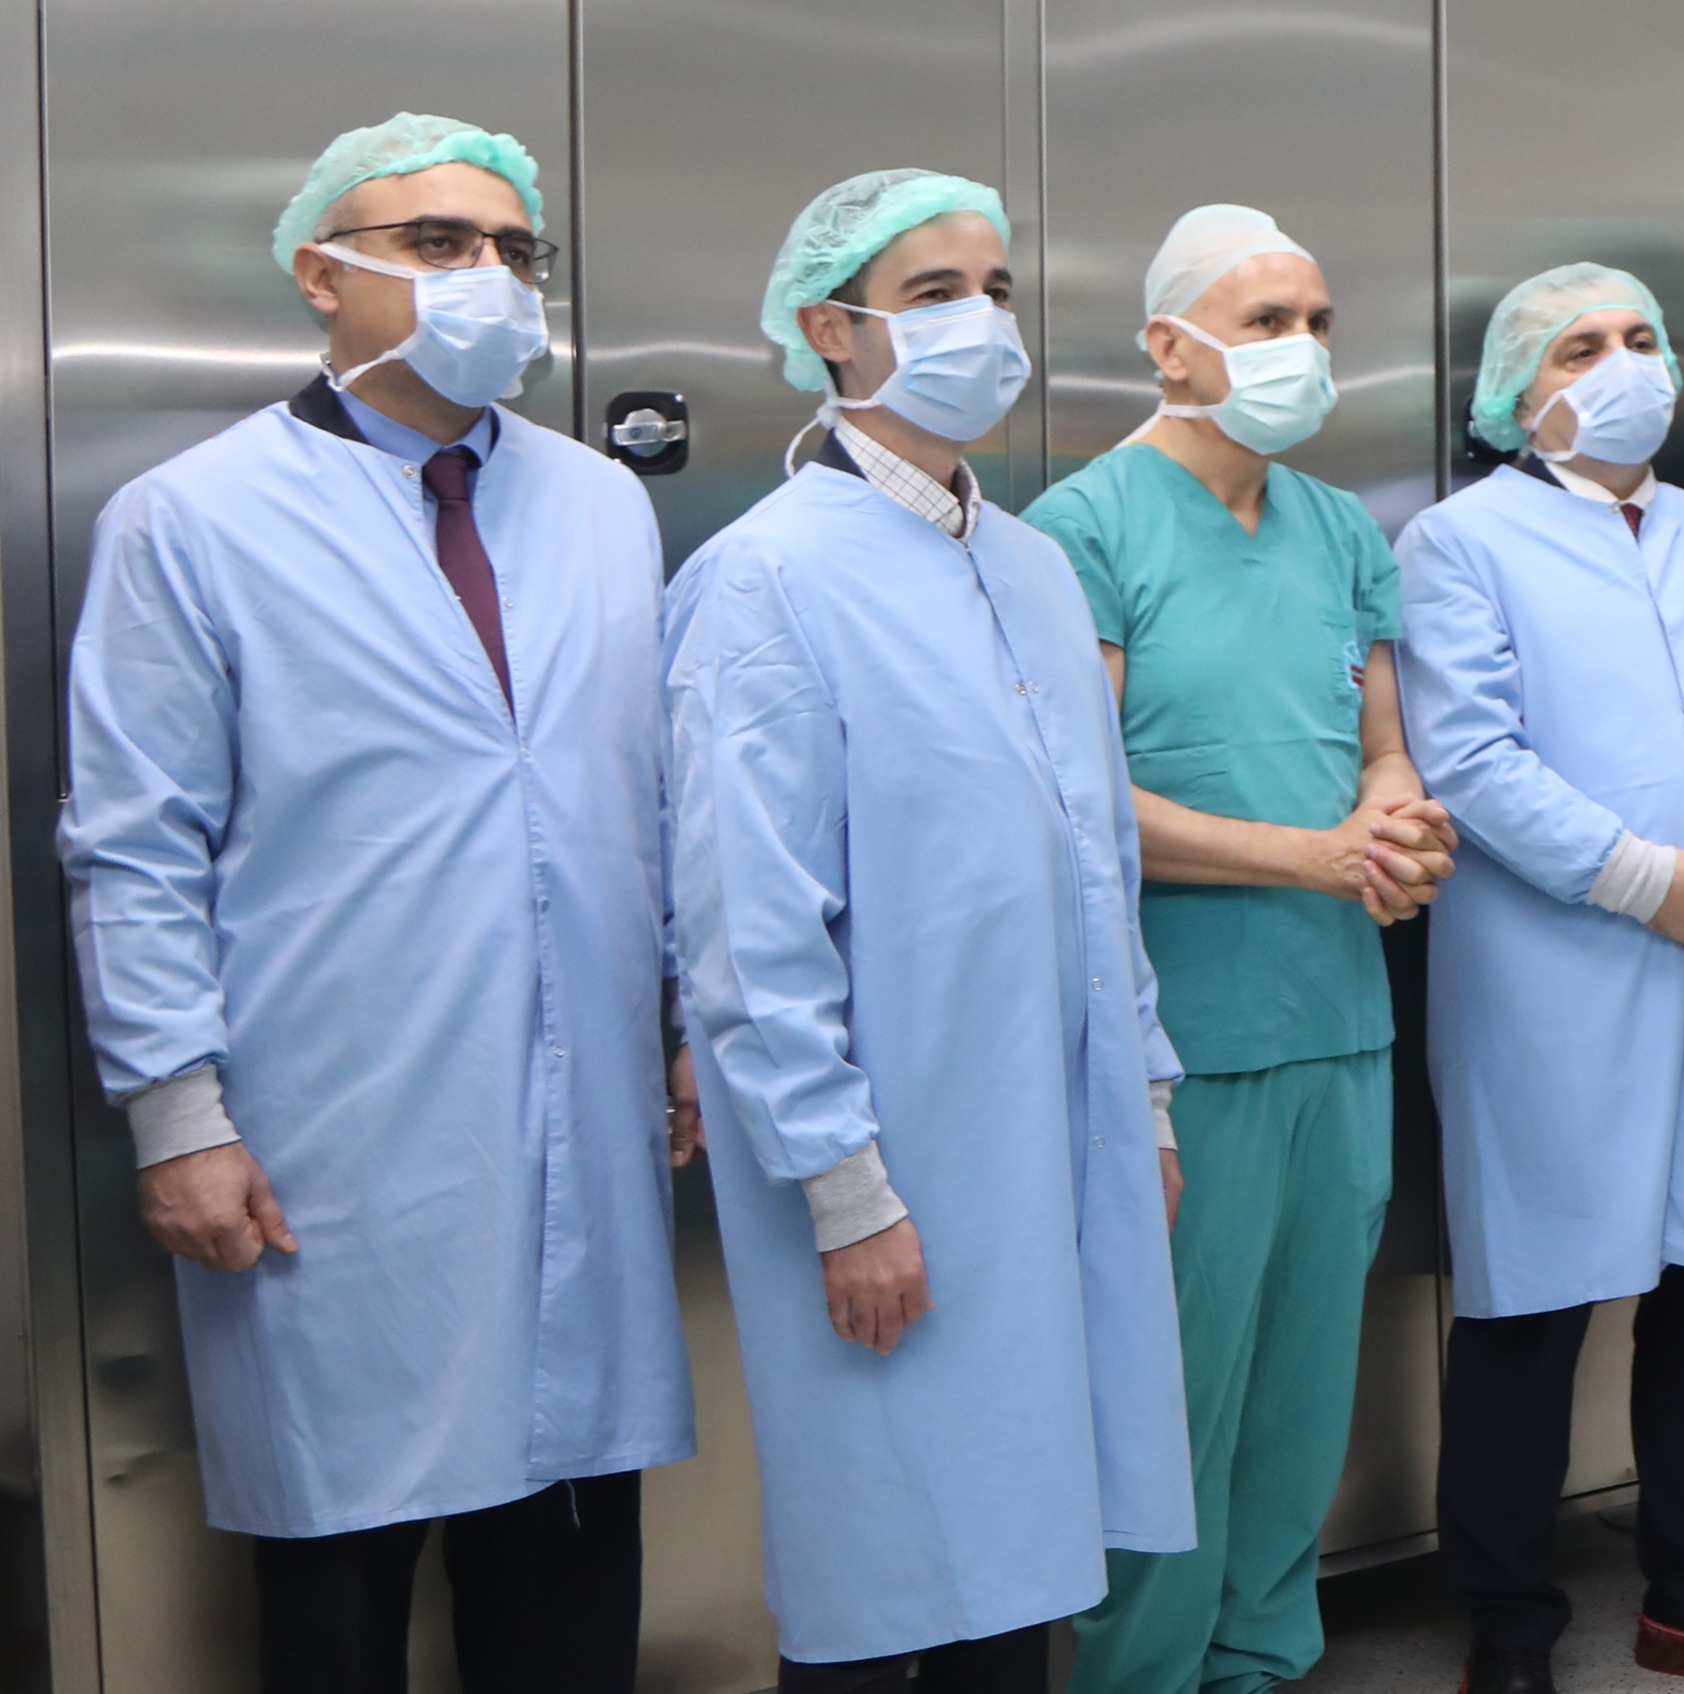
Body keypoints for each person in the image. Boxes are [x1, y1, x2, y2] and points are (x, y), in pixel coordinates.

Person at [56, 113, 695, 1693]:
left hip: (587, 1106)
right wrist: (176, 1118)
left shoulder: (601, 503)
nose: (490, 276)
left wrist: (686, 1018)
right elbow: (135, 841)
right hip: (331, 1134)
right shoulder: (193, 518)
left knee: (567, 1566)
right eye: (437, 242)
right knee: (341, 1583)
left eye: (513, 248)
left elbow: (652, 795)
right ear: (319, 274)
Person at [663, 170, 1194, 1694]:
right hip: (893, 1160)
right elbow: (748, 926)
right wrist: (845, 1192)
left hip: (1060, 1142)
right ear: (831, 329)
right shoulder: (766, 577)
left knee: (1026, 1550)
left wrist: (1146, 1095)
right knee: (890, 1562)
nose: (982, 322)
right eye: (934, 292)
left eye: (996, 288)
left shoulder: (1030, 564)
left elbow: (1097, 866)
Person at [1396, 262, 1684, 1694]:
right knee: (1530, 1309)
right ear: (1515, 394)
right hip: (1553, 976)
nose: (1623, 365)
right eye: (1581, 346)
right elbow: (1470, 757)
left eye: (1642, 337)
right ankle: (1507, 1621)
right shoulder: (1458, 542)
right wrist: (1647, 879)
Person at [1021, 203, 1457, 1694]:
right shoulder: (1086, 527)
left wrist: (1394, 823)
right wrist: (1311, 857)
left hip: (1337, 1014)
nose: (1303, 350)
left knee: (1299, 1387)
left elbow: (1381, 744)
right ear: (1170, 346)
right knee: (1176, 1391)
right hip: (1182, 1035)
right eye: (1267, 322)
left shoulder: (1339, 528)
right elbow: (1079, 801)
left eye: (1318, 323)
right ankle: (1141, 1673)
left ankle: (1262, 1656)